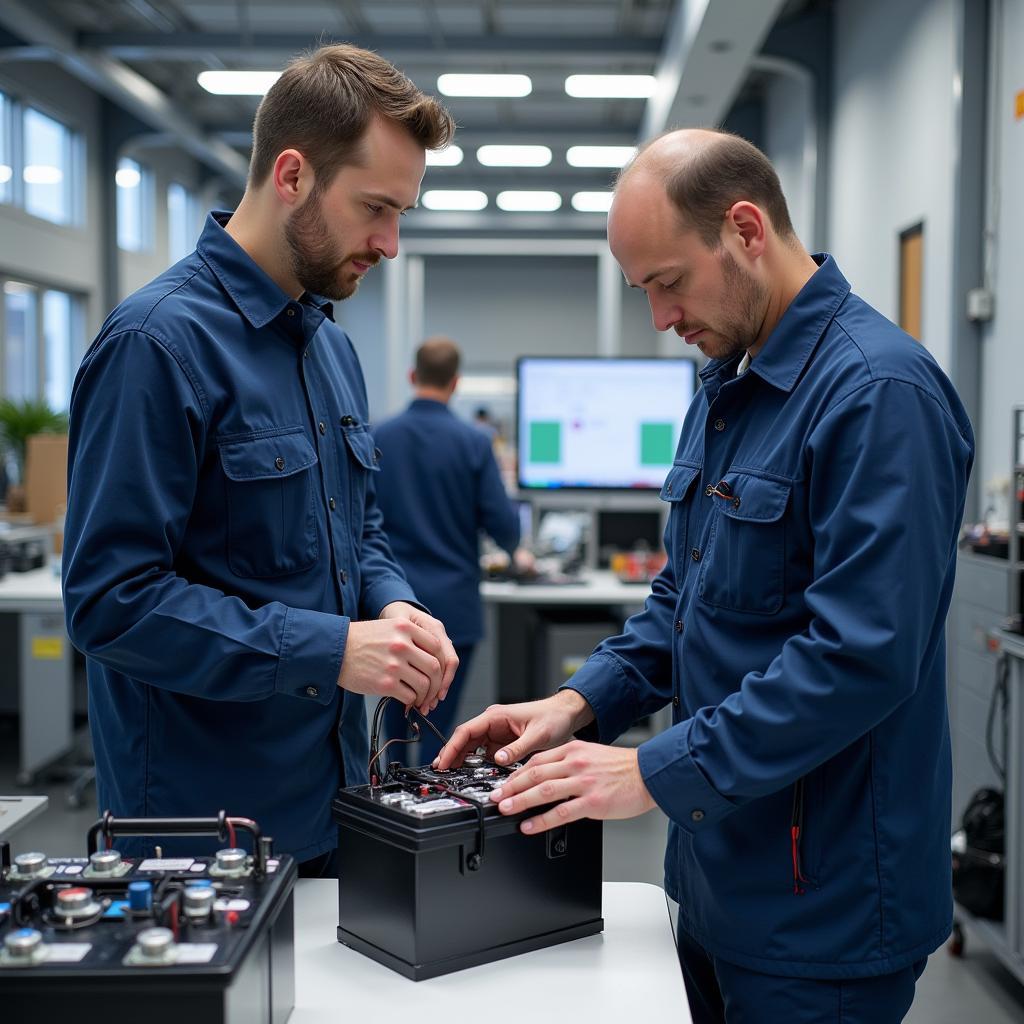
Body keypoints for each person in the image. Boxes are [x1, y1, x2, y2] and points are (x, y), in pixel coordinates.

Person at [436, 128, 974, 1021]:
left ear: (748, 230)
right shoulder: (728, 390)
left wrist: (651, 771)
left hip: (824, 907)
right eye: (641, 289)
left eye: (669, 281)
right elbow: (684, 599)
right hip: (718, 874)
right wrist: (578, 704)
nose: (659, 317)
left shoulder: (880, 396)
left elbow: (861, 656)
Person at [62, 44, 459, 877]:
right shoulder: (156, 346)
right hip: (201, 835)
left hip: (331, 800)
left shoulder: (329, 346)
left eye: (401, 214)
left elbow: (362, 526)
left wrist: (392, 609)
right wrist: (331, 651)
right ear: (291, 176)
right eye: (375, 208)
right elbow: (109, 602)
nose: (390, 243)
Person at [374, 338, 521, 764]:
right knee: (442, 731)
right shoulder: (473, 442)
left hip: (391, 608)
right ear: (455, 383)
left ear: (411, 376)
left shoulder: (377, 435)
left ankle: (392, 819)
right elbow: (505, 528)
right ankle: (435, 819)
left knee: (391, 735)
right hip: (453, 612)